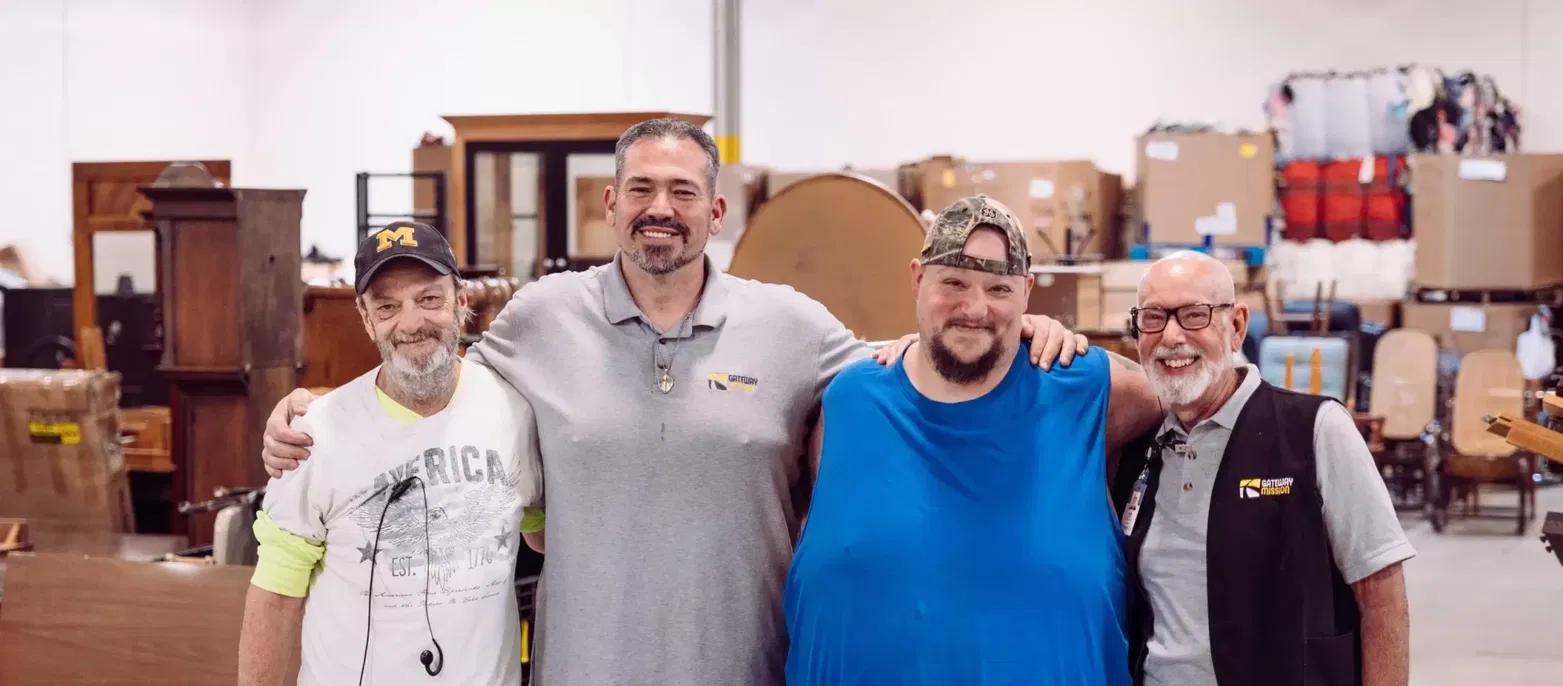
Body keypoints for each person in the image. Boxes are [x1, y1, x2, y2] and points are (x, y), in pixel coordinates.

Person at [256, 118, 1085, 686]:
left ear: (716, 212)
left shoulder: (792, 326)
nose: (662, 208)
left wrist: (1015, 321)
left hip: (747, 669)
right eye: (642, 189)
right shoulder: (540, 319)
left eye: (685, 192)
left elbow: (917, 371)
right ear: (610, 205)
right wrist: (319, 409)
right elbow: (432, 373)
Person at [783, 196, 1164, 685]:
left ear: (1027, 292)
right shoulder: (849, 402)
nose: (975, 308)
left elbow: (1184, 398)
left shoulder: (1086, 389)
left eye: (998, 288)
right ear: (918, 279)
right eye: (953, 283)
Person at [238, 221, 541, 686]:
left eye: (429, 298)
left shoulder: (515, 413)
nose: (411, 323)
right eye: (388, 306)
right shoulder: (313, 436)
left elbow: (544, 537)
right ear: (365, 318)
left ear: (461, 301)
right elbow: (276, 598)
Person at [1110, 251, 1415, 686]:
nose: (1171, 336)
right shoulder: (1141, 448)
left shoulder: (1314, 430)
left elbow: (1382, 596)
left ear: (1235, 326)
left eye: (1194, 315)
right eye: (1154, 317)